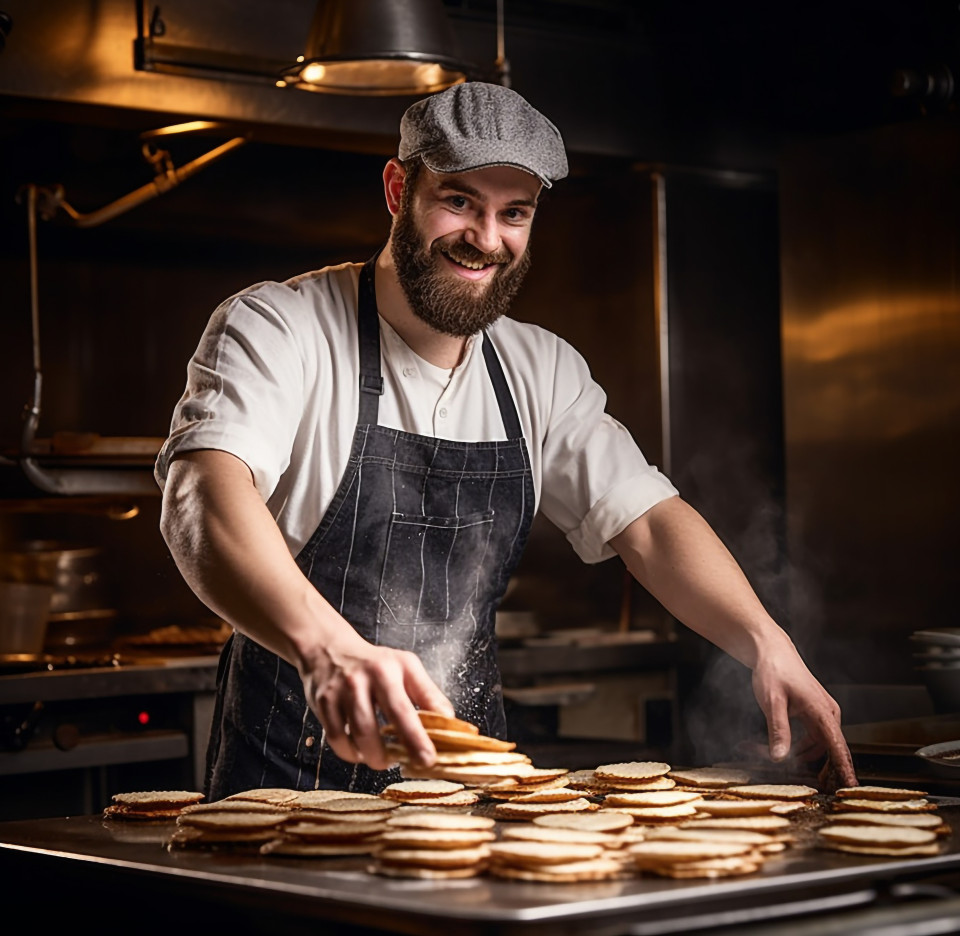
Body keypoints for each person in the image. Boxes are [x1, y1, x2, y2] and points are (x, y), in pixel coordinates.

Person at [156, 82, 857, 799]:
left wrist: (765, 641)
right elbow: (201, 497)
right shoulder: (278, 327)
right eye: (458, 201)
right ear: (398, 190)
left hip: (470, 794)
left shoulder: (539, 368)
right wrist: (327, 650)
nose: (486, 239)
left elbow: (647, 522)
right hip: (286, 785)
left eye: (513, 213)